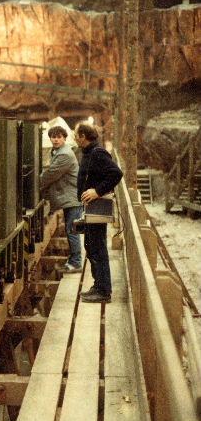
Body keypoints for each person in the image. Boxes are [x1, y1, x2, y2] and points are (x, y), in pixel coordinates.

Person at [75, 123, 123, 303]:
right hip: (90, 209)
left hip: (97, 208)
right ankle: (98, 285)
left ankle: (104, 291)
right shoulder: (88, 153)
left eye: (76, 135)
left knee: (98, 249)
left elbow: (116, 173)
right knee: (91, 248)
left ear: (83, 136)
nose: (75, 138)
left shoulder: (98, 153)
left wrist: (97, 191)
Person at [40, 126, 83, 273]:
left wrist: (33, 185)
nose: (56, 139)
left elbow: (51, 174)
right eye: (53, 137)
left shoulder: (64, 154)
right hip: (69, 197)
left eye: (59, 137)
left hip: (72, 198)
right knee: (70, 229)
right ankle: (73, 260)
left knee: (72, 230)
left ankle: (76, 263)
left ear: (64, 138)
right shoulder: (58, 151)